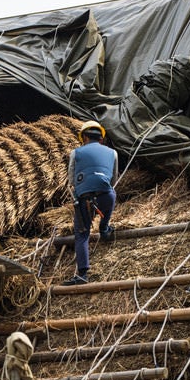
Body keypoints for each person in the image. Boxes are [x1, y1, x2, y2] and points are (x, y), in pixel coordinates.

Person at [62, 120, 118, 286]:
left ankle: (82, 274)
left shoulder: (76, 153)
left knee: (82, 235)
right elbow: (113, 179)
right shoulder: (113, 153)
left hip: (84, 200)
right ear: (101, 138)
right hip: (106, 197)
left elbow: (71, 180)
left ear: (84, 137)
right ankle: (104, 228)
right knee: (111, 195)